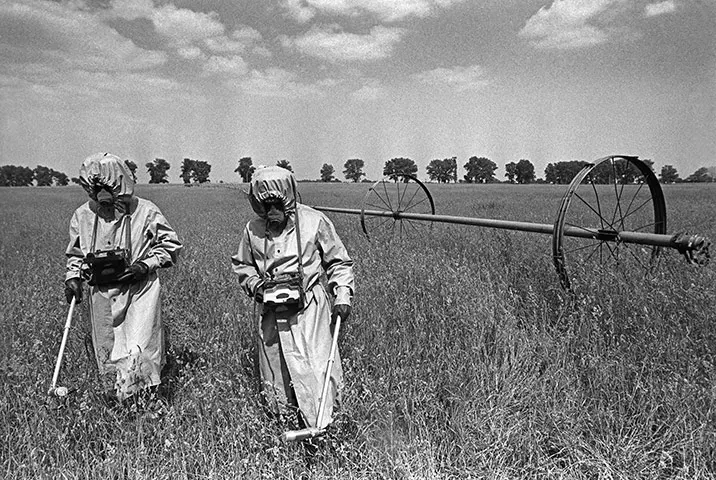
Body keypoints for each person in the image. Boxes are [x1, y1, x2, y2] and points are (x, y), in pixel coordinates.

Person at [232, 166, 354, 432]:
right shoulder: (252, 229)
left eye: (277, 204)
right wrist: (257, 287)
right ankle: (284, 425)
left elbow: (339, 262)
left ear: (287, 198)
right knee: (277, 373)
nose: (271, 212)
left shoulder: (314, 221)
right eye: (265, 206)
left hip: (309, 309)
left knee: (317, 368)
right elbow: (243, 265)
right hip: (272, 312)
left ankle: (326, 427)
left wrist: (342, 295)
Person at [64, 152, 183, 402]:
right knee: (108, 348)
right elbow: (75, 253)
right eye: (97, 192)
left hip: (139, 290)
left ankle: (147, 403)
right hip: (102, 293)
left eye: (108, 191)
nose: (104, 199)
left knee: (140, 347)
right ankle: (119, 404)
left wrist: (144, 265)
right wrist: (73, 277)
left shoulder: (145, 211)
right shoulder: (82, 216)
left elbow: (171, 245)